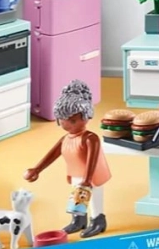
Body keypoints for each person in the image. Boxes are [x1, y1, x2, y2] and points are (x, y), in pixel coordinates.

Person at [24, 80, 111, 238]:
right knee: (76, 197)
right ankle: (78, 220)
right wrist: (37, 169)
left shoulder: (90, 138)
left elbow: (92, 160)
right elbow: (53, 153)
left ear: (85, 117)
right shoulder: (66, 138)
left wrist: (88, 179)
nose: (67, 125)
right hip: (76, 174)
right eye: (62, 120)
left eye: (73, 121)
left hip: (93, 176)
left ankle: (98, 221)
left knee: (94, 198)